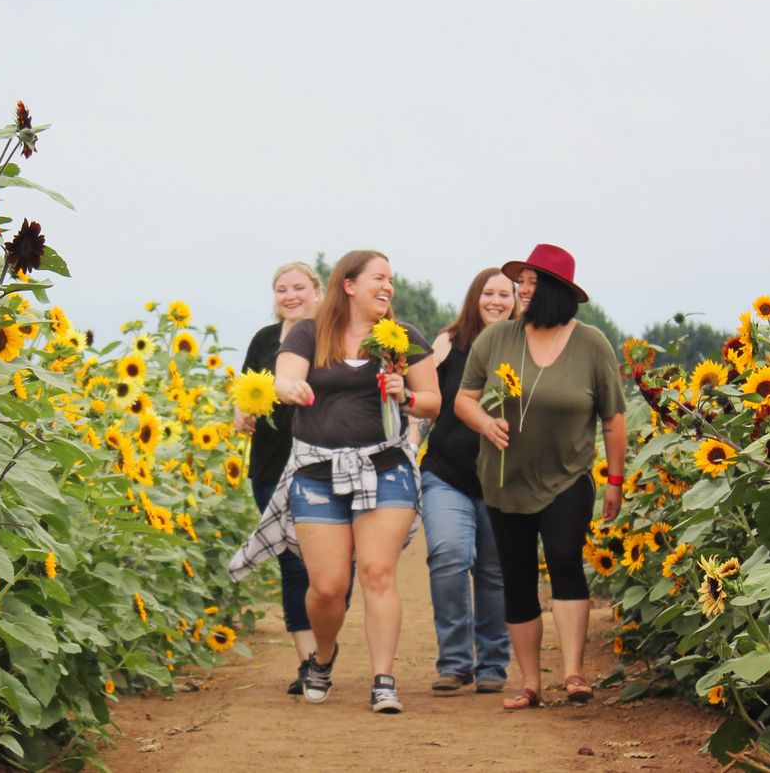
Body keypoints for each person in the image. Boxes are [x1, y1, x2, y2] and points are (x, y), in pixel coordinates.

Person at [231, 249, 439, 714]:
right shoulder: (310, 332)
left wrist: (406, 395)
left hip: (385, 467)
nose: (387, 287)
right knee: (326, 587)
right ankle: (322, 658)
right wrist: (290, 389)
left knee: (377, 573)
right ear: (349, 285)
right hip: (316, 472)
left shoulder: (403, 339)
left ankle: (384, 679)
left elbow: (432, 402)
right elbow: (286, 377)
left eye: (391, 280)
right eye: (378, 279)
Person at [454, 244, 626, 710]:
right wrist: (485, 423)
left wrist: (615, 480)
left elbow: (612, 418)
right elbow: (464, 399)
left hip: (567, 475)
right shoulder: (495, 340)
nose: (521, 291)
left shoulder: (591, 343)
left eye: (531, 283)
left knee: (566, 560)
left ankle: (573, 674)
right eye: (520, 283)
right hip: (504, 479)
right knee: (517, 576)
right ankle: (529, 683)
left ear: (556, 291)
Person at [409, 267, 515, 696]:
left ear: (516, 300)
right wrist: (409, 443)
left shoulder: (527, 346)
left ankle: (492, 664)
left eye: (504, 294)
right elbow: (428, 402)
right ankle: (454, 662)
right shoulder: (449, 343)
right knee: (449, 554)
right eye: (487, 293)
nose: (495, 301)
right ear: (475, 298)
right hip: (447, 473)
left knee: (494, 571)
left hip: (505, 480)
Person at [235, 261, 323, 694]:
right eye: (282, 289)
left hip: (323, 464)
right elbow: (244, 391)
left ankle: (323, 650)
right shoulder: (265, 340)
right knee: (292, 562)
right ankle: (308, 661)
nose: (290, 295)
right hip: (270, 464)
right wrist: (241, 414)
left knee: (327, 569)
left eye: (298, 287)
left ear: (317, 291)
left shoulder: (330, 337)